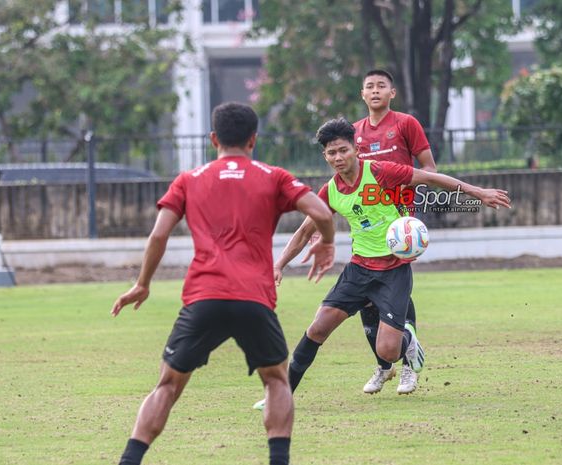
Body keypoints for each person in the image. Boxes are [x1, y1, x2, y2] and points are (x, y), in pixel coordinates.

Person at [110, 102, 336, 465]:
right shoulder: (274, 175)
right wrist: (326, 241)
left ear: (213, 138)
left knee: (167, 386)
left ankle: (129, 461)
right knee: (277, 381)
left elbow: (158, 236)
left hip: (204, 297)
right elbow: (322, 213)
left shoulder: (188, 179)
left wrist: (143, 283)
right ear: (253, 139)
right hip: (253, 298)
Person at [253, 117, 510, 410]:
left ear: (356, 149)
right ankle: (279, 396)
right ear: (325, 156)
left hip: (393, 272)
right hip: (358, 270)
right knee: (317, 329)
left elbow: (431, 178)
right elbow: (303, 232)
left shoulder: (380, 172)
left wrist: (478, 192)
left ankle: (408, 341)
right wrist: (278, 265)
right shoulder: (331, 191)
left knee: (387, 351)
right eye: (331, 153)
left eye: (343, 150)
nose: (338, 157)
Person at [353, 69, 437, 395]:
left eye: (381, 86)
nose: (375, 91)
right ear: (363, 94)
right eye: (369, 86)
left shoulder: (405, 124)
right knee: (365, 291)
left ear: (392, 92)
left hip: (399, 222)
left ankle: (405, 367)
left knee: (395, 287)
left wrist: (408, 184)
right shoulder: (353, 133)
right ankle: (383, 364)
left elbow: (429, 168)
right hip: (366, 223)